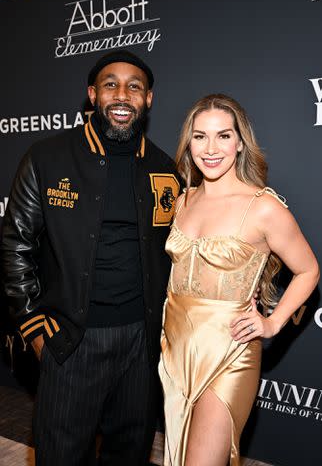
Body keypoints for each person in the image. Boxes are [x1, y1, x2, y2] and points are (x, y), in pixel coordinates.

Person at [0, 50, 181, 466]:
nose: (122, 94)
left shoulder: (165, 169)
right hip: (69, 339)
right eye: (110, 84)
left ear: (148, 98)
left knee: (129, 452)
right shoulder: (47, 157)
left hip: (141, 342)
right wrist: (35, 330)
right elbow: (15, 244)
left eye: (134, 86)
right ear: (92, 94)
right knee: (61, 454)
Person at [158, 93, 319, 466]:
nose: (210, 148)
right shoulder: (184, 200)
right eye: (200, 136)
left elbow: (309, 269)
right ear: (189, 142)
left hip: (229, 348)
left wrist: (273, 322)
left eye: (223, 136)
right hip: (176, 345)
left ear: (240, 142)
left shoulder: (262, 206)